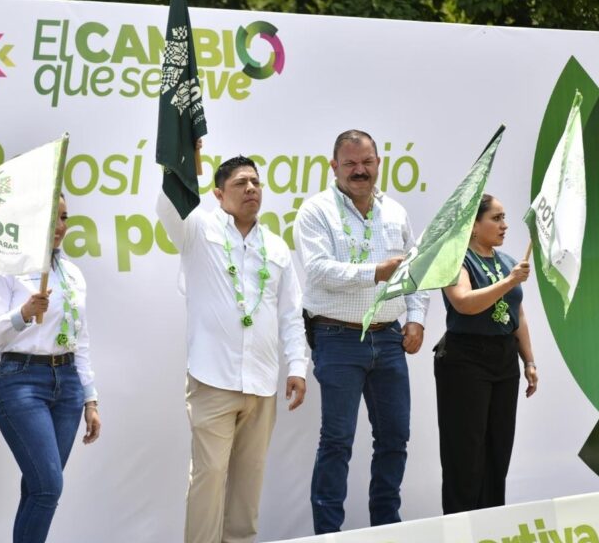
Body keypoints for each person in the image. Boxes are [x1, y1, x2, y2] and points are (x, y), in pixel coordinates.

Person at [156, 155, 309, 543]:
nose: (251, 189)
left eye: (256, 182)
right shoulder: (198, 230)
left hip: (262, 384)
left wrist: (297, 366)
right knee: (208, 480)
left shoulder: (275, 247)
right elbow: (167, 206)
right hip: (212, 380)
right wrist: (182, 159)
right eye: (241, 183)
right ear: (218, 193)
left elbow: (291, 313)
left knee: (248, 485)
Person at [295, 129, 430, 533]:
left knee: (395, 438)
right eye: (350, 163)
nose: (359, 171)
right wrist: (375, 272)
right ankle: (328, 535)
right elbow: (318, 270)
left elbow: (416, 272)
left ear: (378, 164)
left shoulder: (396, 212)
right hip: (337, 338)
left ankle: (387, 528)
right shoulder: (316, 210)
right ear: (333, 166)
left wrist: (417, 317)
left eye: (366, 162)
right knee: (336, 441)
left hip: (389, 337)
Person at [0, 194, 100, 543]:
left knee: (37, 489)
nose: (61, 226)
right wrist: (23, 314)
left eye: (64, 217)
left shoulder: (73, 273)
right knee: (48, 486)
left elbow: (82, 338)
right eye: (53, 218)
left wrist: (90, 399)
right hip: (21, 382)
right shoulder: (4, 267)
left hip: (68, 385)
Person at [434, 193, 538, 514]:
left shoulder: (507, 261)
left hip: (503, 359)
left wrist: (529, 360)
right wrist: (509, 282)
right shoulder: (455, 259)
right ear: (474, 225)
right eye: (496, 218)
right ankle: (460, 527)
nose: (505, 225)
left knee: (497, 451)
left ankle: (492, 526)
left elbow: (517, 314)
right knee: (465, 454)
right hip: (465, 360)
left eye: (504, 218)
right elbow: (464, 303)